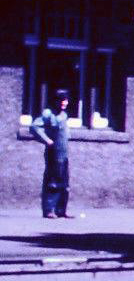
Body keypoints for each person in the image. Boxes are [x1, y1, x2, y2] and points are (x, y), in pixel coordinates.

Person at [30, 89, 72, 219]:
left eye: (66, 100)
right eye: (62, 100)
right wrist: (47, 140)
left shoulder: (63, 115)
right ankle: (49, 210)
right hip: (54, 153)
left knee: (64, 183)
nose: (64, 102)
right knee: (52, 181)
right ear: (56, 100)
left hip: (64, 153)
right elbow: (34, 127)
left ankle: (61, 210)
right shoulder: (48, 113)